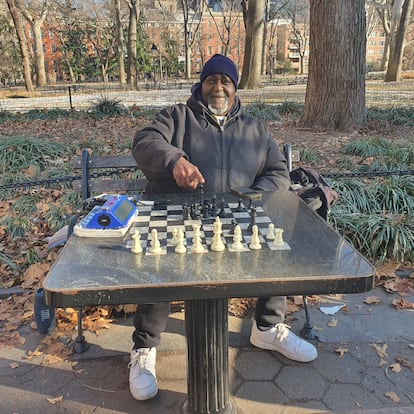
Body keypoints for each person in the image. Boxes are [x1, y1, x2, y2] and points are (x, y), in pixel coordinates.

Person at [130, 54, 317, 401]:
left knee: (275, 245)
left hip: (237, 220)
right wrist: (175, 161)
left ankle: (267, 327)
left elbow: (277, 171)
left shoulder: (255, 130)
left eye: (225, 81)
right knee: (157, 264)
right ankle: (144, 349)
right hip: (178, 220)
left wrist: (252, 197)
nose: (218, 87)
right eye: (211, 80)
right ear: (201, 85)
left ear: (235, 88)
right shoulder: (177, 117)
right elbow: (143, 143)